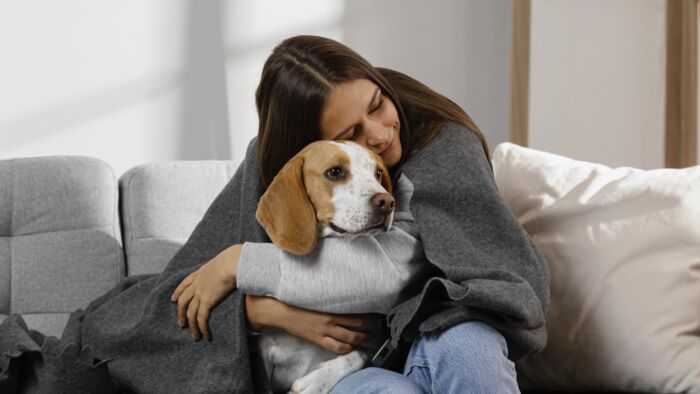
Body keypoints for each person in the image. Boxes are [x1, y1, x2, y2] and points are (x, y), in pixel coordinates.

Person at [170, 34, 549, 393]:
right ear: (311, 144)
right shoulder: (277, 168)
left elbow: (390, 273)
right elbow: (173, 298)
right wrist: (262, 312)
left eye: (377, 105)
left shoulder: (442, 146)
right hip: (357, 368)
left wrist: (239, 263)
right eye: (351, 134)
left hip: (433, 331)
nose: (381, 135)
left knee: (470, 345)